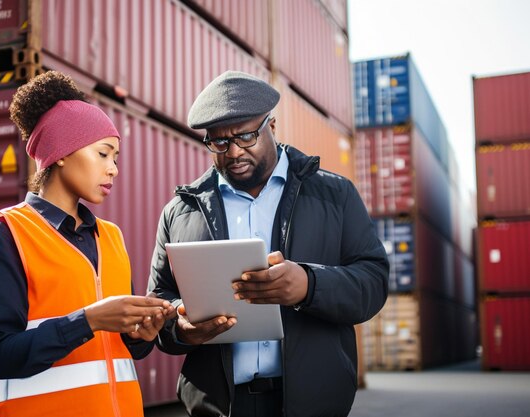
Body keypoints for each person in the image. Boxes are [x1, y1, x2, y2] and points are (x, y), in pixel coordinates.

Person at [147, 70, 389, 417]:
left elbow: (374, 282)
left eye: (246, 137)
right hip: (219, 407)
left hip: (314, 403)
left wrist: (308, 285)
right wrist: (181, 329)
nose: (233, 152)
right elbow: (160, 300)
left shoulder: (336, 195)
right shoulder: (181, 211)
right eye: (219, 142)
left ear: (271, 127)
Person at [0, 71, 174, 417]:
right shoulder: (6, 233)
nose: (114, 169)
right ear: (60, 152)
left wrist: (142, 334)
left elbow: (124, 352)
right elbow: (0, 355)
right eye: (104, 154)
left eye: (116, 158)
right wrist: (88, 321)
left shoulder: (111, 236)